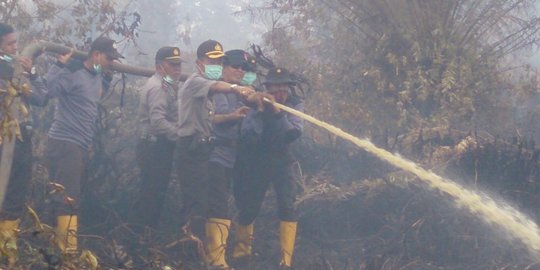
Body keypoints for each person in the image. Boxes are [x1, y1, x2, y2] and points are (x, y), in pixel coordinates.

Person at [175, 39, 260, 268]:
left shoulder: (211, 86)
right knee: (196, 205)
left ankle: (207, 257)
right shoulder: (197, 82)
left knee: (206, 205)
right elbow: (219, 89)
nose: (215, 64)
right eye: (211, 60)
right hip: (190, 147)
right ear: (199, 62)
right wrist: (237, 88)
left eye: (218, 61)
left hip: (203, 148)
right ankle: (194, 257)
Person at [44, 36, 123, 254]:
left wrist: (107, 76)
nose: (111, 62)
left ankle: (53, 250)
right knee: (67, 198)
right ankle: (66, 253)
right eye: (109, 58)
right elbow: (48, 92)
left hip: (79, 145)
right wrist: (59, 65)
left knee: (66, 195)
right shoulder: (74, 73)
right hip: (65, 142)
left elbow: (96, 96)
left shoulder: (96, 76)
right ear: (96, 54)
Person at [232, 67, 304, 269]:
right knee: (249, 206)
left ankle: (286, 261)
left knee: (288, 206)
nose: (279, 93)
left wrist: (277, 114)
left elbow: (294, 131)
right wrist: (261, 111)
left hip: (283, 161)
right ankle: (241, 254)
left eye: (283, 88)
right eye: (275, 88)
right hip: (257, 161)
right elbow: (248, 135)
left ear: (289, 88)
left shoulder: (295, 104)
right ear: (268, 88)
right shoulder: (255, 104)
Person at [205, 49, 259, 269]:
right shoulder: (215, 90)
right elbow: (210, 120)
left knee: (239, 201)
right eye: (235, 66)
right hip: (216, 153)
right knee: (218, 204)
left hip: (237, 156)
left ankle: (239, 253)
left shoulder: (246, 92)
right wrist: (234, 116)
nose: (239, 70)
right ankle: (215, 259)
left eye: (243, 68)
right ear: (224, 67)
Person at [0, 22, 48, 266]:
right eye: (9, 44)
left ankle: (7, 252)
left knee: (16, 195)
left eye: (16, 43)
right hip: (3, 140)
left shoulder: (20, 68)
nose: (15, 48)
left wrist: (32, 73)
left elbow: (41, 98)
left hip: (21, 141)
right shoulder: (4, 69)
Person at [132, 46, 182, 229]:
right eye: (172, 65)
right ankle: (142, 235)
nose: (177, 69)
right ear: (160, 66)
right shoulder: (158, 87)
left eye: (179, 65)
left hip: (157, 146)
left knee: (154, 193)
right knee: (151, 194)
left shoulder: (166, 85)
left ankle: (145, 235)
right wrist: (181, 136)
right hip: (154, 147)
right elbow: (158, 122)